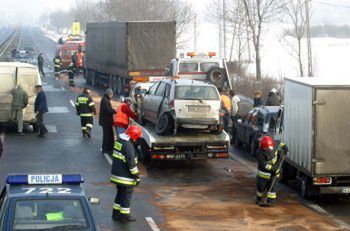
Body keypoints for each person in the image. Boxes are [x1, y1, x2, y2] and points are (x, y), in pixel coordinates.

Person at [111, 125, 142, 222]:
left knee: (120, 194)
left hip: (116, 174)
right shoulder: (128, 146)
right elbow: (131, 165)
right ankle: (125, 215)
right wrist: (137, 177)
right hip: (125, 177)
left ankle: (116, 213)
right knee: (126, 195)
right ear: (134, 137)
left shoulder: (119, 141)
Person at [256, 136, 288, 207]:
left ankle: (270, 202)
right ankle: (258, 199)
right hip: (263, 175)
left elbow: (281, 143)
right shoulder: (259, 152)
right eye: (267, 149)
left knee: (272, 188)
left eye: (270, 148)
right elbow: (265, 166)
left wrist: (285, 147)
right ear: (263, 147)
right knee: (260, 189)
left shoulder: (275, 143)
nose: (269, 150)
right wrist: (275, 169)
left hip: (273, 173)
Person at [99, 89, 116, 155]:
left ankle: (109, 149)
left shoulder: (105, 99)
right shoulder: (105, 100)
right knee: (107, 136)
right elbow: (108, 110)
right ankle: (105, 149)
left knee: (110, 135)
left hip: (107, 122)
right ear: (109, 94)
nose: (112, 96)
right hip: (106, 122)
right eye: (111, 95)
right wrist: (115, 111)